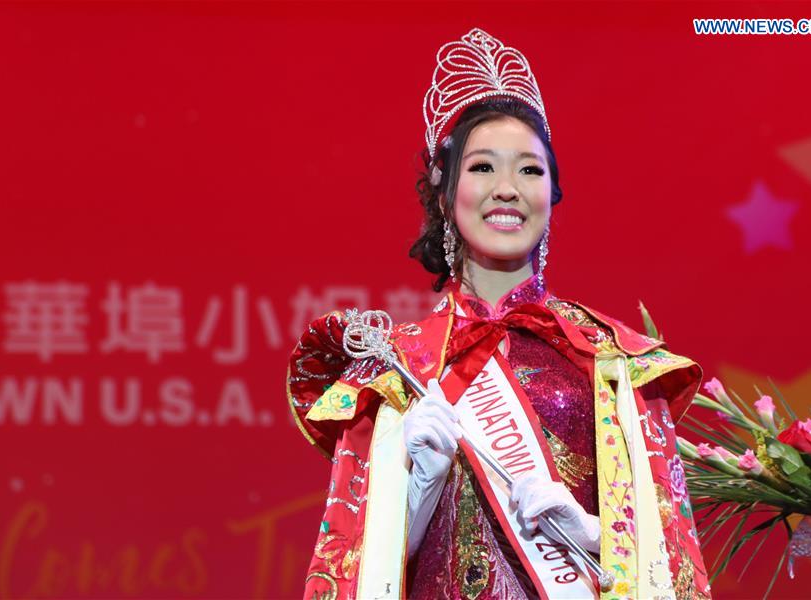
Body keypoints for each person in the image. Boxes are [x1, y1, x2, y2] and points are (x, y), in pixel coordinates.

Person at [288, 28, 711, 599]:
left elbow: (670, 552)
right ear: (444, 194)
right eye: (483, 167)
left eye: (531, 170)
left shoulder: (613, 360)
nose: (508, 188)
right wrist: (418, 491)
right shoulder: (394, 369)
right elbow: (352, 569)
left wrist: (592, 534)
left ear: (553, 194)